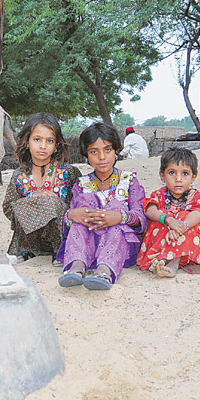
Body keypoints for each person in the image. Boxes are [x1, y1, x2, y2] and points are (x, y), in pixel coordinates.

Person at [58, 122, 146, 290]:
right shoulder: (81, 184)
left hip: (120, 245)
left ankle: (104, 271)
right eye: (94, 151)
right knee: (82, 208)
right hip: (88, 243)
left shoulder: (129, 181)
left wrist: (120, 216)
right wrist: (71, 215)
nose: (102, 157)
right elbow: (69, 225)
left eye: (107, 149)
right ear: (86, 155)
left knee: (116, 207)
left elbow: (141, 217)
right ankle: (76, 267)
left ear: (115, 151)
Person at [137, 147, 200, 278]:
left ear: (193, 177)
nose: (178, 179)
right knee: (160, 217)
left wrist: (181, 227)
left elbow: (198, 214)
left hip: (187, 238)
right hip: (163, 237)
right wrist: (168, 220)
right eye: (172, 173)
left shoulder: (196, 196)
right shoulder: (158, 195)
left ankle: (173, 262)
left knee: (187, 217)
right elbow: (150, 210)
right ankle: (163, 258)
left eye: (185, 173)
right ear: (162, 175)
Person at [2, 112, 81, 264]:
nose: (43, 146)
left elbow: (79, 204)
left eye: (49, 141)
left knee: (50, 202)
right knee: (32, 202)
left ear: (57, 144)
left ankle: (59, 252)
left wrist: (54, 204)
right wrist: (32, 202)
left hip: (62, 237)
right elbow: (8, 207)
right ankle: (30, 251)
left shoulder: (68, 172)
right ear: (27, 141)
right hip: (28, 241)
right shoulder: (19, 175)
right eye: (37, 139)